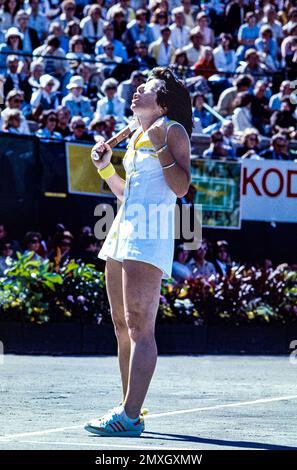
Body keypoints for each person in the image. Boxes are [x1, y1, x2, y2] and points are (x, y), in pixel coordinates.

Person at [85, 66, 193, 437]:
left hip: (150, 234)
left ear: (162, 103)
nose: (136, 92)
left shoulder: (173, 131)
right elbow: (126, 193)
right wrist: (103, 169)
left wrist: (162, 144)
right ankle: (128, 405)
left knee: (140, 326)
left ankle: (129, 417)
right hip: (122, 229)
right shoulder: (134, 136)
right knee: (121, 327)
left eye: (146, 89)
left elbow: (181, 187)